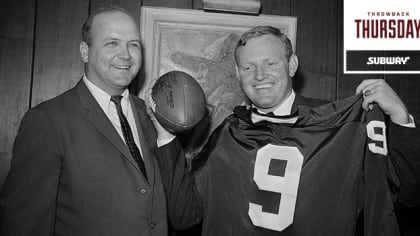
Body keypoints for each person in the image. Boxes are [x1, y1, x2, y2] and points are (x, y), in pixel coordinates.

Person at [148, 26, 420, 235]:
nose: (259, 75)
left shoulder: (339, 128)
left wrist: (400, 118)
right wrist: (166, 133)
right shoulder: (228, 133)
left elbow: (407, 195)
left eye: (271, 63)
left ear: (291, 65)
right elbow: (186, 215)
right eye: (248, 67)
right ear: (237, 73)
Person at [0, 6, 174, 235]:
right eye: (112, 43)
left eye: (133, 44)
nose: (126, 54)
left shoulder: (152, 116)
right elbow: (24, 225)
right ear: (85, 51)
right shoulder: (48, 121)